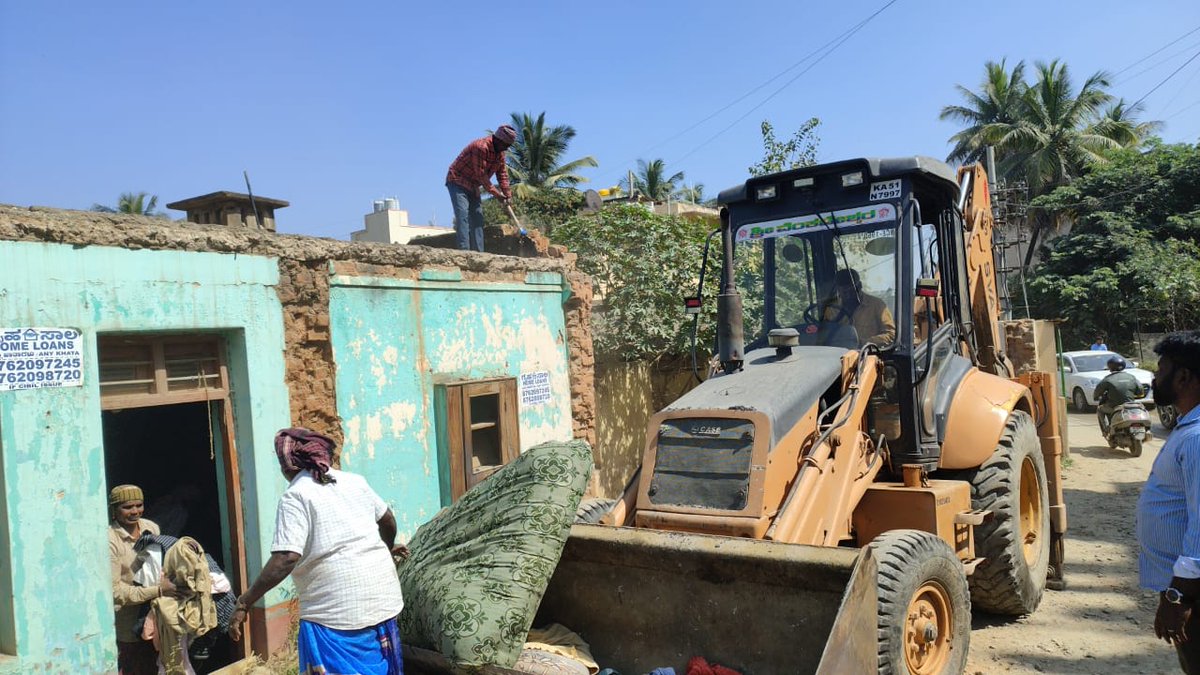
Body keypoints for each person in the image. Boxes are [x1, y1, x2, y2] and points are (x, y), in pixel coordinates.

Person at [228, 428, 405, 675]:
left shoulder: (296, 496)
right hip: (384, 599)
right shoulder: (355, 481)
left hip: (336, 613)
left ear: (287, 466)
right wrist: (379, 551)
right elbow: (388, 521)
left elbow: (286, 557)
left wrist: (244, 602)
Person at [1136, 330, 1200, 672]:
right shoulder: (1189, 428)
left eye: (1160, 369)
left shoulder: (1197, 438)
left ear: (1184, 376)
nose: (1154, 376)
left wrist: (1179, 597)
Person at [109, 484, 177, 675]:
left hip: (155, 615)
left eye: (139, 505)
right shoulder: (111, 540)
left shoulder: (151, 527)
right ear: (114, 510)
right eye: (127, 507)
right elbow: (115, 591)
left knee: (155, 665)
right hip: (128, 622)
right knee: (132, 667)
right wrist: (158, 590)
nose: (135, 511)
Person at [445, 124, 516, 252]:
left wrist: (507, 194)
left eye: (508, 146)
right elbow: (481, 176)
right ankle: (464, 252)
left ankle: (479, 254)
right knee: (463, 215)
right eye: (505, 145)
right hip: (458, 180)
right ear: (498, 139)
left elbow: (502, 175)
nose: (506, 148)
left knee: (478, 218)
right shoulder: (481, 147)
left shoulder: (500, 154)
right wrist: (497, 195)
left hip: (473, 184)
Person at [821, 268, 896, 347]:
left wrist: (863, 343)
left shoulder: (877, 305)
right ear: (838, 290)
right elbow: (823, 336)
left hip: (868, 354)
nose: (848, 296)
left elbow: (891, 335)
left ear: (860, 285)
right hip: (838, 353)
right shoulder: (832, 309)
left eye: (851, 291)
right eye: (844, 292)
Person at [1095, 355, 1146, 435]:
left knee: (1099, 409)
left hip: (1114, 407)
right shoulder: (1132, 377)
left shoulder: (1107, 379)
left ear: (1110, 367)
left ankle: (1106, 430)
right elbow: (1140, 392)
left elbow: (1097, 393)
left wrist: (1096, 397)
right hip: (1131, 406)